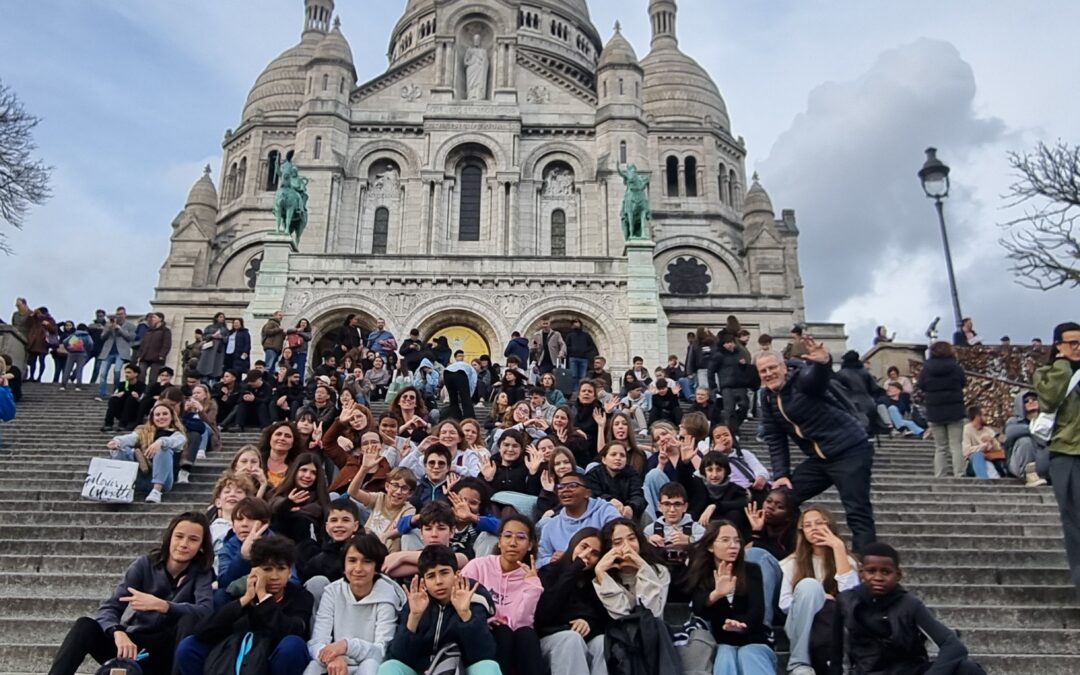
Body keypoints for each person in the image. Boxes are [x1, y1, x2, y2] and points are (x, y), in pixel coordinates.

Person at [48, 512, 215, 675]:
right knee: (84, 626)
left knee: (189, 620)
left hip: (168, 653)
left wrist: (163, 606)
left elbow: (205, 610)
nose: (184, 544)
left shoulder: (202, 572)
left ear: (201, 546)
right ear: (169, 537)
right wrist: (117, 631)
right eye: (179, 536)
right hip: (132, 645)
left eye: (193, 539)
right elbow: (109, 607)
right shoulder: (145, 564)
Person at [757, 338, 877, 551]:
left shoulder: (802, 381)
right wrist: (781, 473)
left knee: (857, 510)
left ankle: (865, 564)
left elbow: (817, 380)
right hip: (820, 459)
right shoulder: (767, 398)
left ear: (784, 367)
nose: (768, 374)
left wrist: (823, 363)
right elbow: (775, 438)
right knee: (782, 499)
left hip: (850, 451)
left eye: (772, 368)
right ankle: (790, 550)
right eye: (763, 371)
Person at [832, 542, 984, 675]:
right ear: (861, 573)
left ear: (898, 575)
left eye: (886, 572)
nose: (878, 577)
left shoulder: (910, 605)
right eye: (871, 571)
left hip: (910, 670)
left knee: (967, 668)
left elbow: (954, 646)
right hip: (867, 671)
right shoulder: (846, 601)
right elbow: (834, 653)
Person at [175, 535, 313, 675]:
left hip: (273, 659)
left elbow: (294, 631)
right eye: (267, 569)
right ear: (254, 571)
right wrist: (246, 599)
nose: (274, 576)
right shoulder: (234, 593)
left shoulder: (300, 596)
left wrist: (264, 598)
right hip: (232, 656)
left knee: (293, 645)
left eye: (281, 569)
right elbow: (203, 630)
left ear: (289, 572)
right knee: (189, 645)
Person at [379, 545, 500, 675]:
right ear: (424, 581)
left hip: (460, 670)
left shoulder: (473, 600)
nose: (438, 581)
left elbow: (484, 654)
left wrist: (465, 614)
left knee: (489, 667)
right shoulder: (416, 601)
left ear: (456, 575)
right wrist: (414, 617)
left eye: (444, 573)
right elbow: (398, 656)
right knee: (389, 667)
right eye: (431, 576)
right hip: (422, 670)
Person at [304, 534, 405, 675]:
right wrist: (333, 656)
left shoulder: (387, 595)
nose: (358, 568)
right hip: (336, 662)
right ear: (344, 566)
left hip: (368, 663)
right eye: (352, 561)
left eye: (367, 562)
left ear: (377, 567)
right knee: (315, 666)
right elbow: (317, 642)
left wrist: (347, 646)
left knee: (370, 665)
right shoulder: (333, 591)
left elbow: (381, 651)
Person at [688, 520, 775, 675]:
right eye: (725, 540)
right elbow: (698, 607)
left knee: (748, 654)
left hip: (753, 639)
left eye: (737, 541)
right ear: (710, 546)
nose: (733, 545)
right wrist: (716, 594)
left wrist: (740, 626)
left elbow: (757, 612)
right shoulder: (702, 573)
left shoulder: (752, 570)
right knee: (725, 655)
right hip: (721, 641)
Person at [461, 515, 545, 675]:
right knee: (502, 631)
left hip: (516, 639)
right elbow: (461, 602)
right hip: (480, 632)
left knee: (526, 634)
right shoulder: (478, 566)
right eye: (507, 536)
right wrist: (488, 619)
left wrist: (533, 587)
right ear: (499, 542)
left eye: (521, 538)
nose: (513, 543)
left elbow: (522, 622)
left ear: (530, 545)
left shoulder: (531, 578)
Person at [780, 506, 858, 675]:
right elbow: (784, 604)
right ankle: (799, 664)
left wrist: (838, 548)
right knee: (810, 585)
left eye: (819, 523)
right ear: (802, 531)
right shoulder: (790, 563)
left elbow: (852, 599)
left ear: (830, 526)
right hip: (799, 624)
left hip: (834, 627)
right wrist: (816, 598)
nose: (813, 528)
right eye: (807, 525)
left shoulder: (847, 560)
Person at [1035, 322, 1080, 599]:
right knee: (1075, 525)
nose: (1078, 348)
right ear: (1058, 346)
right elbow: (1049, 400)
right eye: (1072, 343)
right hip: (1067, 453)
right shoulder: (1048, 372)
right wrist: (1064, 366)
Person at [537, 469, 620, 567]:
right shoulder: (550, 526)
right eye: (560, 487)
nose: (565, 490)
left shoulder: (605, 511)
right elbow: (539, 561)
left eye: (573, 486)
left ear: (587, 493)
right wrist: (551, 560)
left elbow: (619, 543)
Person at [107, 402, 187, 503]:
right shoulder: (143, 432)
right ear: (152, 418)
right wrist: (117, 441)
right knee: (121, 449)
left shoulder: (178, 435)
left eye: (165, 414)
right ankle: (119, 487)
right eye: (157, 415)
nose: (161, 417)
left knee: (163, 449)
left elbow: (176, 442)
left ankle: (156, 491)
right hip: (141, 477)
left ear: (172, 416)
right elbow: (131, 438)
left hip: (163, 482)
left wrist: (160, 442)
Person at [593, 519, 670, 620]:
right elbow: (621, 615)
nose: (627, 546)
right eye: (618, 542)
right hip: (617, 633)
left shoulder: (659, 571)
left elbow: (653, 614)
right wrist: (600, 572)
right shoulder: (603, 575)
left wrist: (643, 566)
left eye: (632, 539)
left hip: (652, 632)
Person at [918, 341, 968, 478]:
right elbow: (963, 382)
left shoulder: (927, 368)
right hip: (955, 411)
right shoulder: (955, 367)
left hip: (935, 411)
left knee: (940, 447)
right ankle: (960, 474)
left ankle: (940, 475)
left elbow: (921, 385)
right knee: (956, 445)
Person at [297, 498, 363, 590]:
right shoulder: (320, 558)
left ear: (355, 526)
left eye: (345, 520)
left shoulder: (366, 548)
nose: (339, 525)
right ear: (327, 526)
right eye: (334, 520)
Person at [349, 467, 417, 552]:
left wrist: (386, 536)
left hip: (385, 550)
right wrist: (363, 469)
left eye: (404, 488)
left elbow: (404, 527)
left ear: (410, 493)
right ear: (387, 486)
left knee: (397, 539)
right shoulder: (379, 498)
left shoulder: (408, 509)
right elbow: (353, 492)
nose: (398, 492)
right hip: (366, 544)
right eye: (395, 485)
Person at [269, 451, 331, 544]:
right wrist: (288, 503)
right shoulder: (278, 492)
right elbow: (273, 506)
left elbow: (318, 510)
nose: (307, 476)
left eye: (313, 472)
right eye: (304, 470)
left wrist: (297, 510)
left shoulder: (320, 497)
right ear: (295, 471)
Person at [585, 441, 646, 520]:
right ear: (604, 459)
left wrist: (631, 507)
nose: (618, 458)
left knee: (645, 515)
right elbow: (593, 495)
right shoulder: (594, 474)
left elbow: (638, 495)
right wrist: (610, 500)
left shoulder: (632, 473)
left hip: (625, 513)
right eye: (613, 454)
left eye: (622, 455)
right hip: (600, 513)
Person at [1006, 390, 1051, 486]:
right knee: (1025, 441)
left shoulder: (1046, 422)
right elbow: (1010, 432)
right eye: (1026, 401)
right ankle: (1029, 475)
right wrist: (1035, 428)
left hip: (1042, 462)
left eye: (1034, 399)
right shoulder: (1014, 421)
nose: (1031, 402)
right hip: (1019, 464)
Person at [95, 307, 137, 398]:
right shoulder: (108, 324)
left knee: (117, 371)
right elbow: (102, 337)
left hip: (120, 352)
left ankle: (116, 391)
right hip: (108, 352)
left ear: (125, 315)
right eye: (118, 314)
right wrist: (108, 329)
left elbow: (131, 338)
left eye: (121, 314)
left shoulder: (131, 326)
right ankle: (101, 393)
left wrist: (120, 329)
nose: (119, 316)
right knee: (102, 373)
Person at [137, 312, 172, 385]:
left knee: (153, 378)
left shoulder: (165, 331)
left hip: (157, 358)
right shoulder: (149, 330)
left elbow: (167, 344)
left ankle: (149, 393)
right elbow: (143, 343)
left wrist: (162, 355)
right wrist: (140, 355)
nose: (152, 319)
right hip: (144, 357)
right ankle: (140, 392)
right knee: (141, 375)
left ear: (160, 319)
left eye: (154, 317)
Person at [58, 323, 94, 391]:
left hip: (71, 353)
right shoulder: (87, 335)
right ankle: (78, 386)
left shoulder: (74, 335)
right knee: (79, 370)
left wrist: (68, 349)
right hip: (82, 354)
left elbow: (65, 341)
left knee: (67, 369)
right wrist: (86, 350)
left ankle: (63, 385)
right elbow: (91, 344)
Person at [445, 350, 478, 421]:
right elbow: (473, 384)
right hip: (460, 373)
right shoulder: (471, 369)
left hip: (446, 373)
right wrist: (469, 396)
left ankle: (455, 418)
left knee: (453, 400)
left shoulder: (452, 365)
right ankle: (469, 420)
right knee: (466, 401)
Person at [197, 312, 230, 382]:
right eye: (220, 317)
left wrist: (221, 337)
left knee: (217, 368)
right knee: (206, 367)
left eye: (223, 317)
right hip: (209, 349)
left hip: (219, 351)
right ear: (216, 318)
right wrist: (212, 336)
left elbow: (228, 339)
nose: (222, 319)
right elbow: (204, 337)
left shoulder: (225, 329)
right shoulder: (209, 327)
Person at [564, 319, 596, 386]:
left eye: (577, 322)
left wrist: (585, 350)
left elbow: (591, 345)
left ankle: (581, 389)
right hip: (573, 358)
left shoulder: (586, 335)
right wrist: (573, 350)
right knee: (573, 376)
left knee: (582, 376)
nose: (575, 324)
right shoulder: (570, 335)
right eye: (574, 323)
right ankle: (574, 391)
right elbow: (566, 346)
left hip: (584, 358)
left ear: (580, 324)